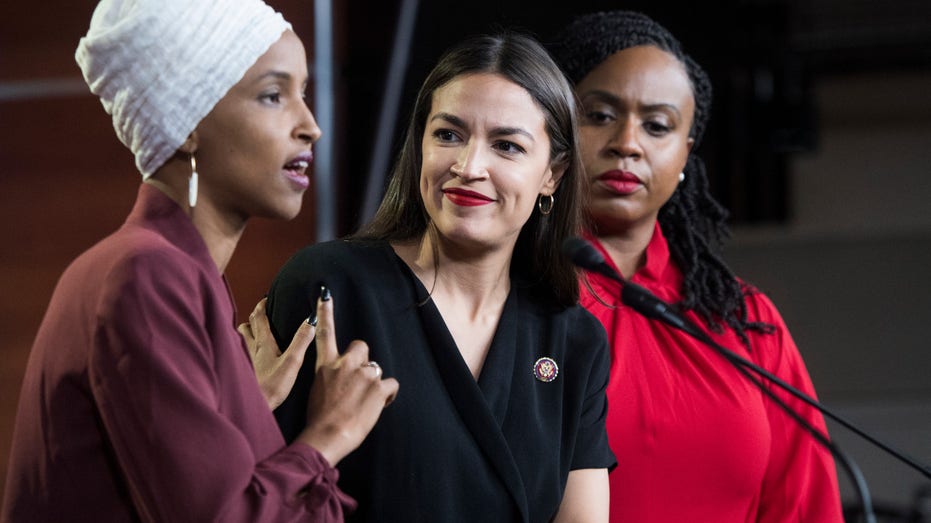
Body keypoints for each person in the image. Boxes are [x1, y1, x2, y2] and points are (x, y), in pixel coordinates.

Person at [2, 0, 398, 521]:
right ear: (187, 123)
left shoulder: (167, 271)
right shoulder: (146, 274)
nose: (310, 127)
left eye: (304, 94)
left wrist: (240, 406)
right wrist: (329, 434)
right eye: (273, 96)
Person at [265, 32, 615, 522]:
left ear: (552, 174)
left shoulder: (574, 338)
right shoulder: (329, 286)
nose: (469, 166)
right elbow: (255, 494)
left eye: (507, 146)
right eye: (448, 135)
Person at [549, 10, 843, 522]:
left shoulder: (746, 319)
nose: (628, 143)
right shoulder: (503, 296)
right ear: (553, 126)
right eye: (598, 115)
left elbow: (805, 508)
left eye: (657, 126)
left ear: (685, 154)